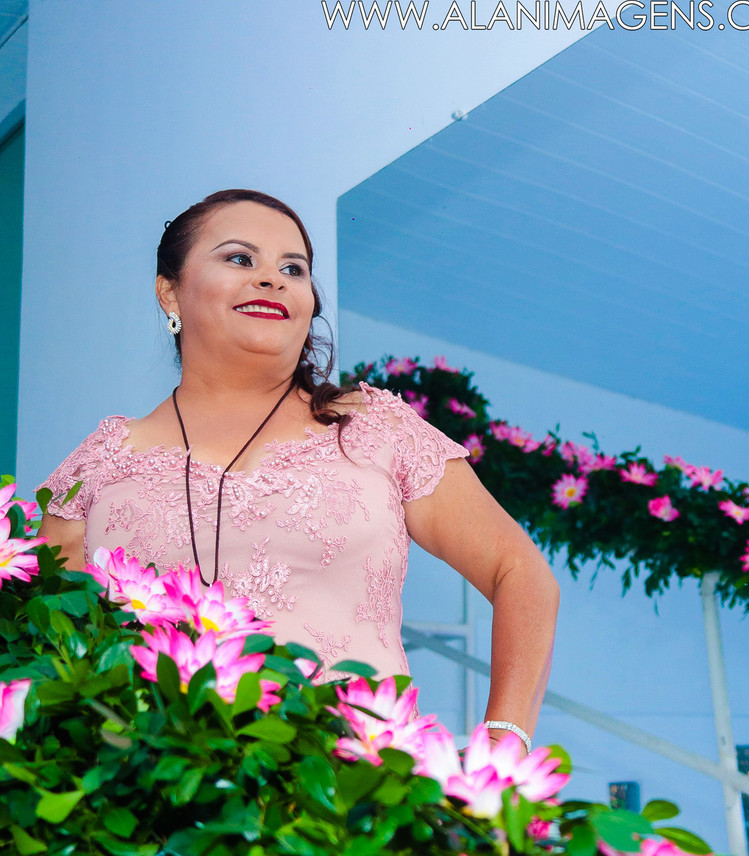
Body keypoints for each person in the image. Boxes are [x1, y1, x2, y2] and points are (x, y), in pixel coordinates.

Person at [39, 189, 559, 749]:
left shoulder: (375, 429)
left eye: (294, 268)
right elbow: (50, 653)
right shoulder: (99, 465)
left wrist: (505, 743)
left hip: (356, 800)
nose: (273, 279)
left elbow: (521, 573)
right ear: (170, 291)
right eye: (240, 259)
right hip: (154, 809)